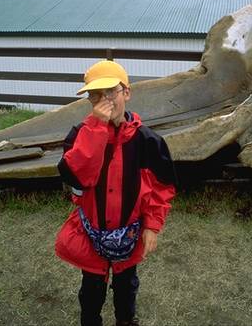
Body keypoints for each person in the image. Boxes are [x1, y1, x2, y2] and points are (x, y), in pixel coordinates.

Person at [55, 60, 176, 326]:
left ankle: (125, 320)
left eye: (111, 92)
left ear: (127, 93)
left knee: (126, 285)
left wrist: (153, 226)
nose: (104, 101)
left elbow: (161, 188)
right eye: (95, 95)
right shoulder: (79, 135)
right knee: (91, 287)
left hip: (130, 232)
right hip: (91, 232)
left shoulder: (148, 141)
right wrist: (96, 128)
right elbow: (77, 177)